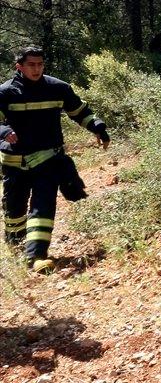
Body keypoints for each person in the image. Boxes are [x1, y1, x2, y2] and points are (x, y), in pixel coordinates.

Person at [0, 47, 109, 273]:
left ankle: (37, 255)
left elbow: (79, 111)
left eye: (40, 64)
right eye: (31, 65)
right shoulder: (5, 92)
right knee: (15, 210)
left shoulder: (58, 88)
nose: (37, 69)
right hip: (14, 163)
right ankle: (16, 247)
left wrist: (98, 127)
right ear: (19, 66)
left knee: (43, 206)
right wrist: (4, 132)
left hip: (48, 160)